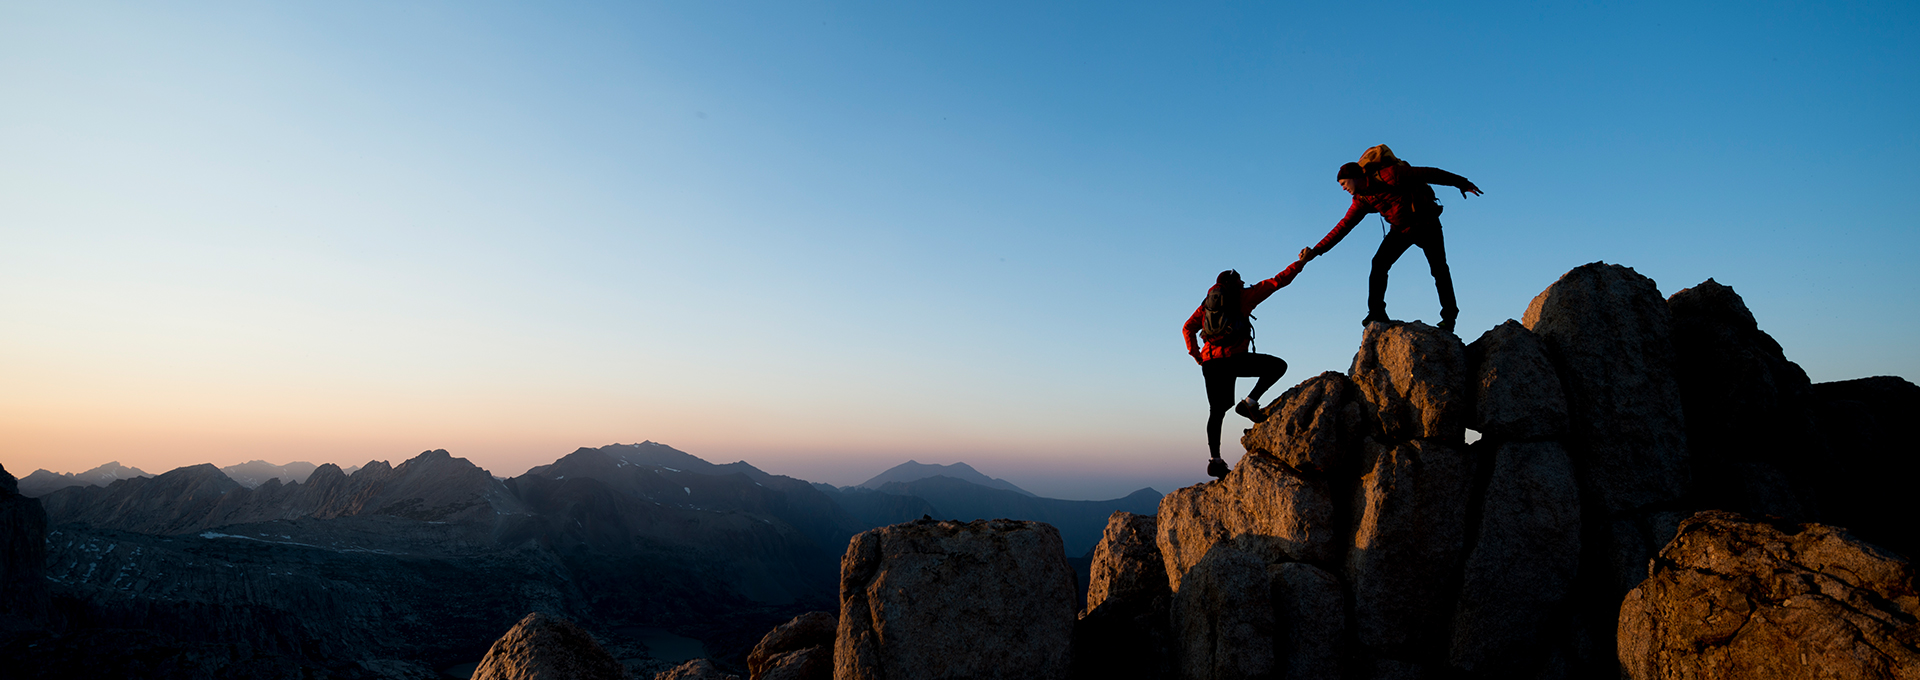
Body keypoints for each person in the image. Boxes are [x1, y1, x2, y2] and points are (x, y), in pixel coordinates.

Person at [1298, 145, 1482, 333]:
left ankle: (1449, 317)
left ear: (1355, 177)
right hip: (1401, 230)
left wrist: (1462, 183)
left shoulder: (1391, 175)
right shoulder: (1361, 200)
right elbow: (1343, 227)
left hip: (1427, 225)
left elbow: (1430, 174)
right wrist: (1316, 251)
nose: (1343, 188)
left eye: (1344, 183)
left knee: (1439, 269)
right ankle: (1376, 312)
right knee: (1379, 263)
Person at [1182, 258, 1308, 480]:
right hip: (1234, 359)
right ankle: (1249, 403)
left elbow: (1187, 328)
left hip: (1210, 363)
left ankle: (1215, 461)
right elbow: (1277, 281)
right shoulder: (1244, 296)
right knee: (1278, 366)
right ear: (1236, 284)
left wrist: (1197, 355)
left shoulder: (1206, 306)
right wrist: (1301, 262)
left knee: (1216, 411)